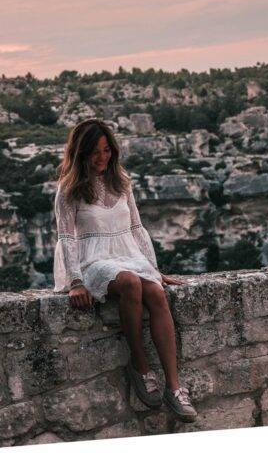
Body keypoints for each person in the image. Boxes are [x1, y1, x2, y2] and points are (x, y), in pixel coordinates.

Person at [52, 118, 197, 422]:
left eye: (106, 150)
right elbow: (66, 237)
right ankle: (140, 365)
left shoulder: (122, 183)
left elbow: (136, 228)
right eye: (94, 152)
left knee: (156, 292)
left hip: (128, 254)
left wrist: (154, 270)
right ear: (80, 153)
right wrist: (76, 281)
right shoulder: (69, 190)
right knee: (130, 284)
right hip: (94, 260)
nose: (102, 157)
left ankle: (174, 387)